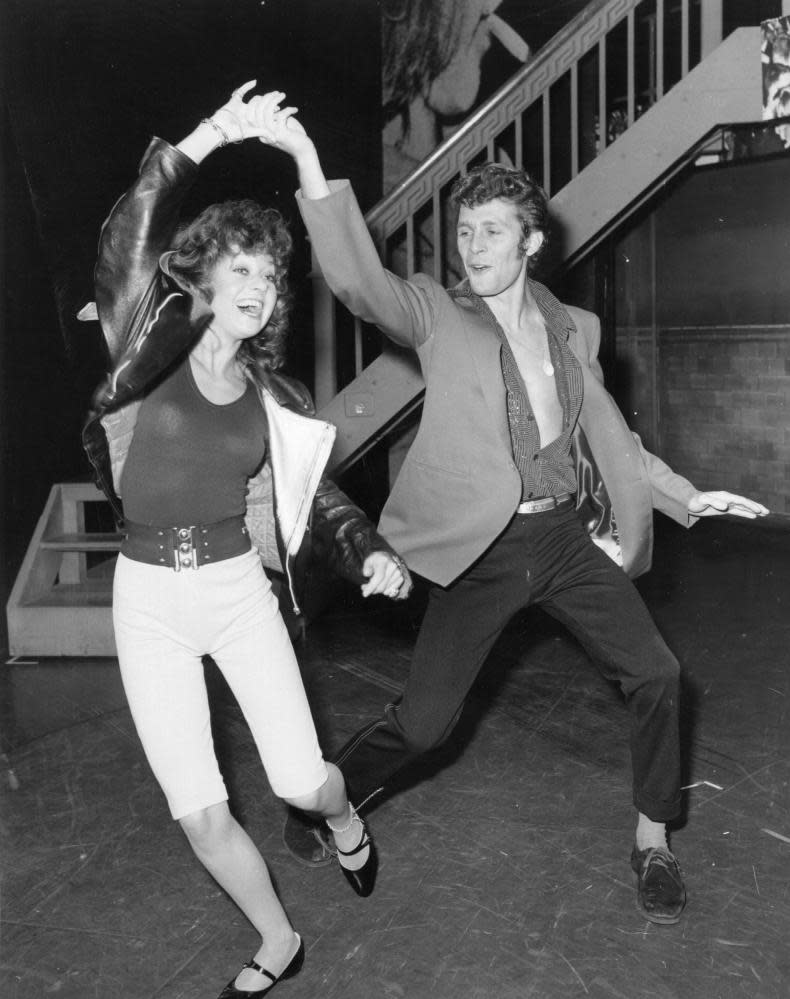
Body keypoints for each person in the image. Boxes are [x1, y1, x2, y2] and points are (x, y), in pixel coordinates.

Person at [249, 91, 770, 927]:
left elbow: (608, 436)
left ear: (530, 242)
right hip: (480, 551)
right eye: (465, 230)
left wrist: (681, 495)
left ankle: (653, 839)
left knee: (661, 673)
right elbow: (357, 280)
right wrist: (309, 168)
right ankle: (326, 797)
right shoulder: (437, 313)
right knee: (423, 727)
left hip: (562, 535)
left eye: (493, 229)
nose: (473, 244)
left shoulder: (575, 330)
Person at [81, 82, 412, 999]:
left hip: (235, 591)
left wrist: (368, 549)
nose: (263, 291)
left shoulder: (275, 396)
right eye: (245, 272)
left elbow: (321, 495)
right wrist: (216, 134)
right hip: (147, 598)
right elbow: (129, 232)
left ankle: (345, 823)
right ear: (201, 279)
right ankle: (279, 936)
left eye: (272, 277)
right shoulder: (143, 341)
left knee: (306, 781)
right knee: (200, 812)